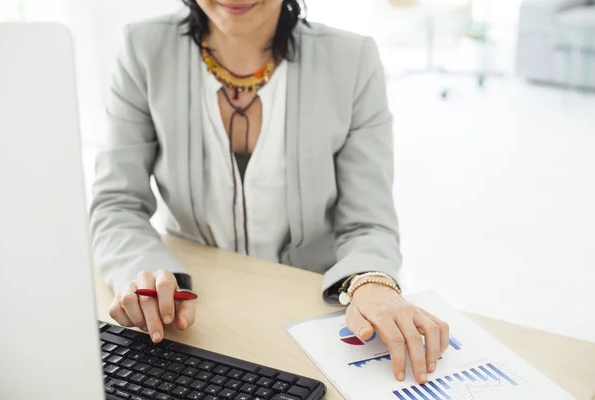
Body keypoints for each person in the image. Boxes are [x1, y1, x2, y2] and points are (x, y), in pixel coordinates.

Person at [89, 0, 449, 384]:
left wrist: (370, 280)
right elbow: (116, 203)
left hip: (310, 306)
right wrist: (143, 275)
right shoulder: (145, 48)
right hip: (192, 309)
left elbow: (368, 220)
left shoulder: (351, 60)